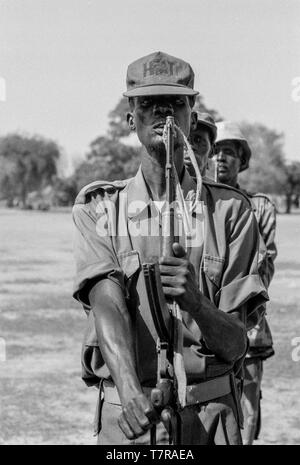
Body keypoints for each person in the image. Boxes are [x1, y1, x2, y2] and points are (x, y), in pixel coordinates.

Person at [72, 51, 268, 445]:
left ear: (192, 118)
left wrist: (197, 303)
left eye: (176, 104)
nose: (163, 115)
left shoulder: (232, 212)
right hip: (129, 420)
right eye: (148, 105)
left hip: (210, 420)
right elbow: (106, 301)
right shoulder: (100, 208)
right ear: (131, 119)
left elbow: (235, 345)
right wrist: (129, 390)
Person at [214, 121, 277, 445]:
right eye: (215, 151)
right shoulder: (198, 205)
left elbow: (263, 268)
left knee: (249, 402)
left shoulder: (260, 207)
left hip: (249, 324)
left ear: (242, 160)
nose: (221, 159)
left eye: (229, 153)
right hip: (207, 323)